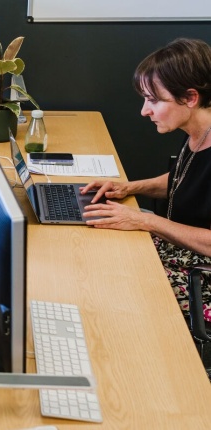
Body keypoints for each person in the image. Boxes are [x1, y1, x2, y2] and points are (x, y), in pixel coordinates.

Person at [81, 38, 211, 323]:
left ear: (190, 97)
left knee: (114, 296)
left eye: (153, 100)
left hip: (203, 274)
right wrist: (130, 187)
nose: (144, 111)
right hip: (179, 249)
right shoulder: (197, 131)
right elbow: (186, 179)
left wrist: (144, 220)